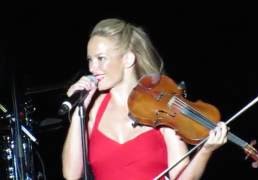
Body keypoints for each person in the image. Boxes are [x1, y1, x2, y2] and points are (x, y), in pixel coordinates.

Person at [62, 18, 228, 180]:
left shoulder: (160, 106)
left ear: (128, 59)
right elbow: (71, 174)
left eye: (101, 59)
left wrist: (205, 151)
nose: (92, 68)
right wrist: (78, 110)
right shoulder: (92, 108)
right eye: (90, 60)